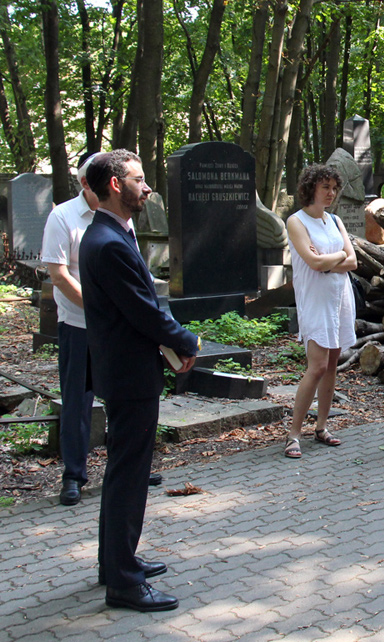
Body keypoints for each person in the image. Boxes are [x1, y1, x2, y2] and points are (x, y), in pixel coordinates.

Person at [80, 150, 200, 611]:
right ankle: (123, 583)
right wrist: (186, 341)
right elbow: (142, 310)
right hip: (129, 373)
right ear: (115, 185)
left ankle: (115, 562)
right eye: (139, 179)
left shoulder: (113, 233)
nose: (147, 187)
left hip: (125, 368)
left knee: (123, 472)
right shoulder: (107, 242)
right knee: (129, 475)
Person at [283, 164, 358, 459]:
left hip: (340, 295)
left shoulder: (336, 221)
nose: (330, 193)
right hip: (314, 298)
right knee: (316, 366)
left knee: (331, 364)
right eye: (325, 187)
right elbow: (313, 264)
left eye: (334, 188)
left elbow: (353, 262)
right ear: (311, 188)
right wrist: (335, 257)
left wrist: (331, 257)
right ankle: (293, 434)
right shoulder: (296, 222)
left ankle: (322, 427)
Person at [40, 152, 100, 506]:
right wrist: (99, 309)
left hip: (115, 326)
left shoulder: (119, 215)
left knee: (125, 396)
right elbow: (60, 276)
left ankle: (130, 466)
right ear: (84, 184)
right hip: (78, 325)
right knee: (78, 401)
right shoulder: (62, 217)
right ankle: (73, 475)